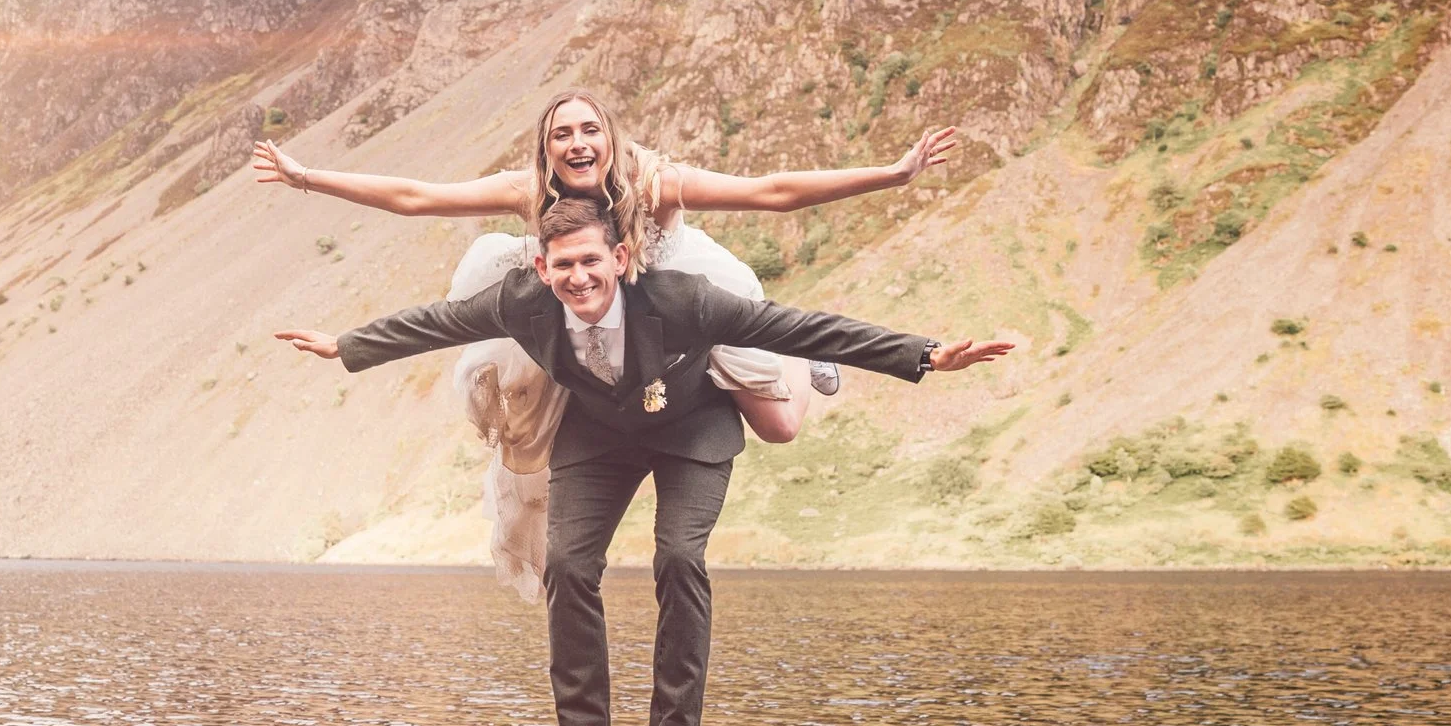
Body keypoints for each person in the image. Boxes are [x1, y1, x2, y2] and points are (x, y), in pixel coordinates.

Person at [277, 195, 1009, 726]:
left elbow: (797, 322)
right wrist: (347, 346)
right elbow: (437, 323)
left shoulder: (683, 300)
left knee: (678, 559)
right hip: (599, 435)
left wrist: (924, 354)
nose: (578, 277)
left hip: (694, 429)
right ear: (543, 267)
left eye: (592, 261)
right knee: (567, 563)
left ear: (619, 260)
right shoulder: (524, 302)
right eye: (563, 265)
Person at [253, 89, 957, 597]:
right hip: (602, 312)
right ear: (547, 149)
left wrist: (892, 176)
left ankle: (805, 357)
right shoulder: (530, 192)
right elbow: (416, 197)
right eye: (562, 134)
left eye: (590, 129)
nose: (577, 143)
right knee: (542, 374)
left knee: (778, 428)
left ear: (610, 141)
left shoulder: (655, 183)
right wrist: (306, 177)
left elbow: (773, 191)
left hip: (691, 299)